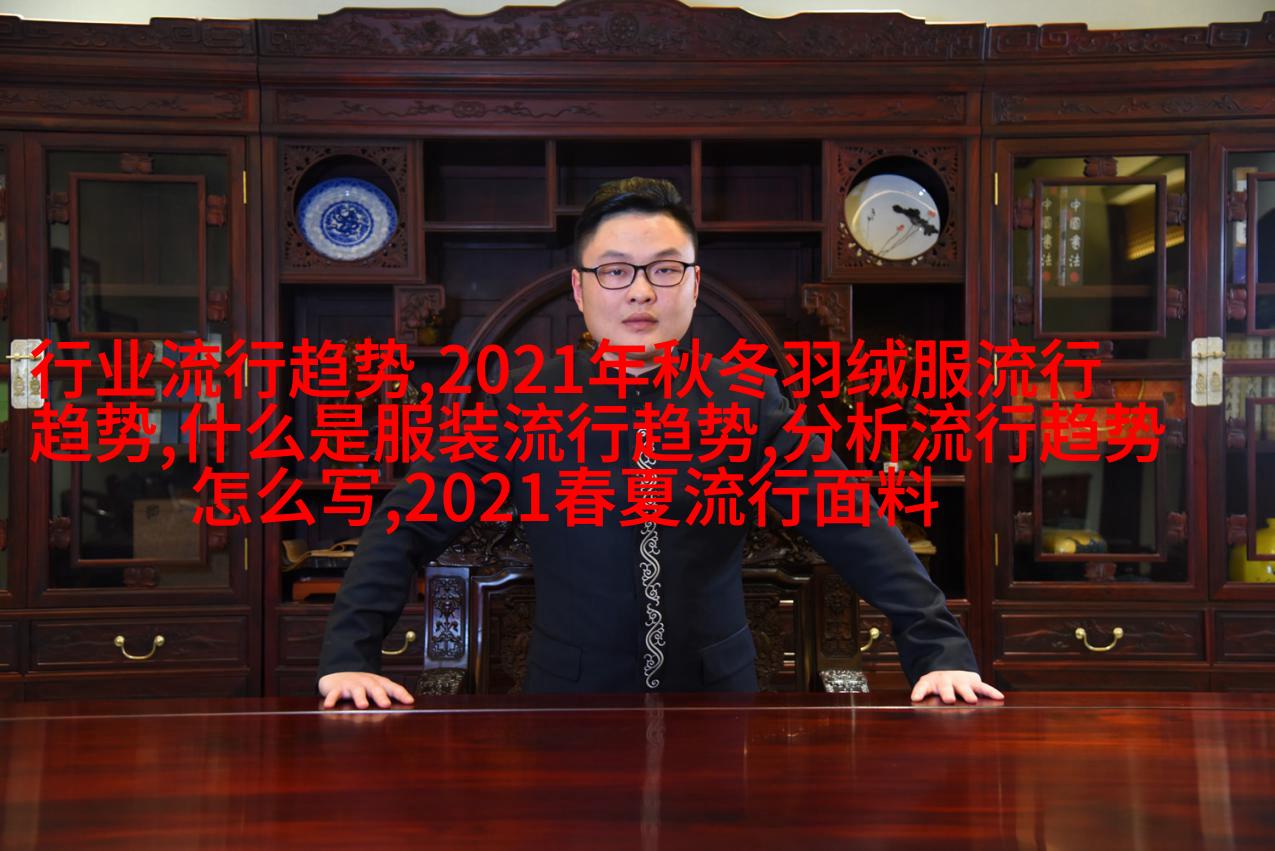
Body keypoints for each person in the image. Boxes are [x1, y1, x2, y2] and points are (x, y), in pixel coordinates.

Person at [318, 177, 1003, 708]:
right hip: (568, 701)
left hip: (716, 698)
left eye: (665, 269)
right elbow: (405, 523)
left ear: (694, 284)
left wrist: (939, 651)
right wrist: (349, 656)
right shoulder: (521, 399)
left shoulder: (746, 399)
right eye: (615, 271)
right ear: (580, 290)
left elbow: (851, 522)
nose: (641, 292)